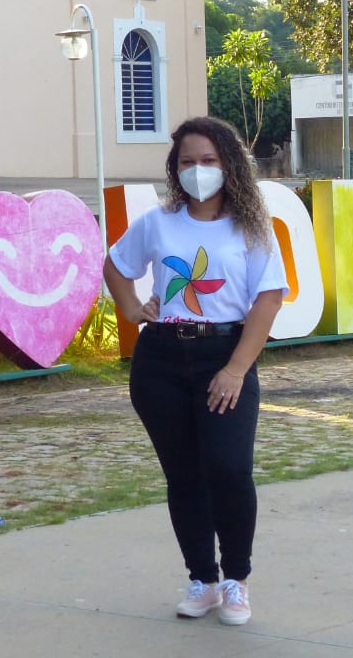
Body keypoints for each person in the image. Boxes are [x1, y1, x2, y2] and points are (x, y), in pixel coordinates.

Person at [104, 116, 287, 627]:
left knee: (228, 471)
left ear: (228, 166)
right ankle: (202, 579)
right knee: (183, 475)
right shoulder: (158, 223)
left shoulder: (250, 227)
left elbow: (268, 301)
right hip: (161, 359)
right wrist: (131, 307)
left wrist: (235, 370)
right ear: (174, 167)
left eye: (208, 161)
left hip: (223, 357)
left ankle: (236, 581)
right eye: (188, 162)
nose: (198, 171)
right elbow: (116, 265)